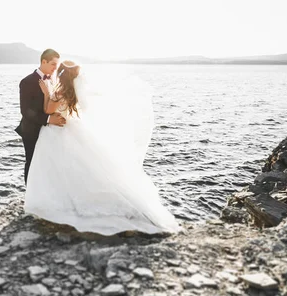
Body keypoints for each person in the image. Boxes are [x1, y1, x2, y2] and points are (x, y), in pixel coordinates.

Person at [23, 60, 182, 235]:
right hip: (70, 127)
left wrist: (46, 93)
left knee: (57, 169)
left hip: (57, 131)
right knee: (76, 168)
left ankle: (60, 202)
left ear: (61, 74)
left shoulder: (59, 91)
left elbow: (48, 109)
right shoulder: (73, 91)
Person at [15, 49, 67, 185]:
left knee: (47, 164)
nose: (56, 68)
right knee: (32, 162)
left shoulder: (54, 80)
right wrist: (49, 120)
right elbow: (26, 111)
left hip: (50, 131)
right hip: (32, 131)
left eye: (57, 64)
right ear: (43, 61)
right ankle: (29, 195)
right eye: (53, 64)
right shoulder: (27, 82)